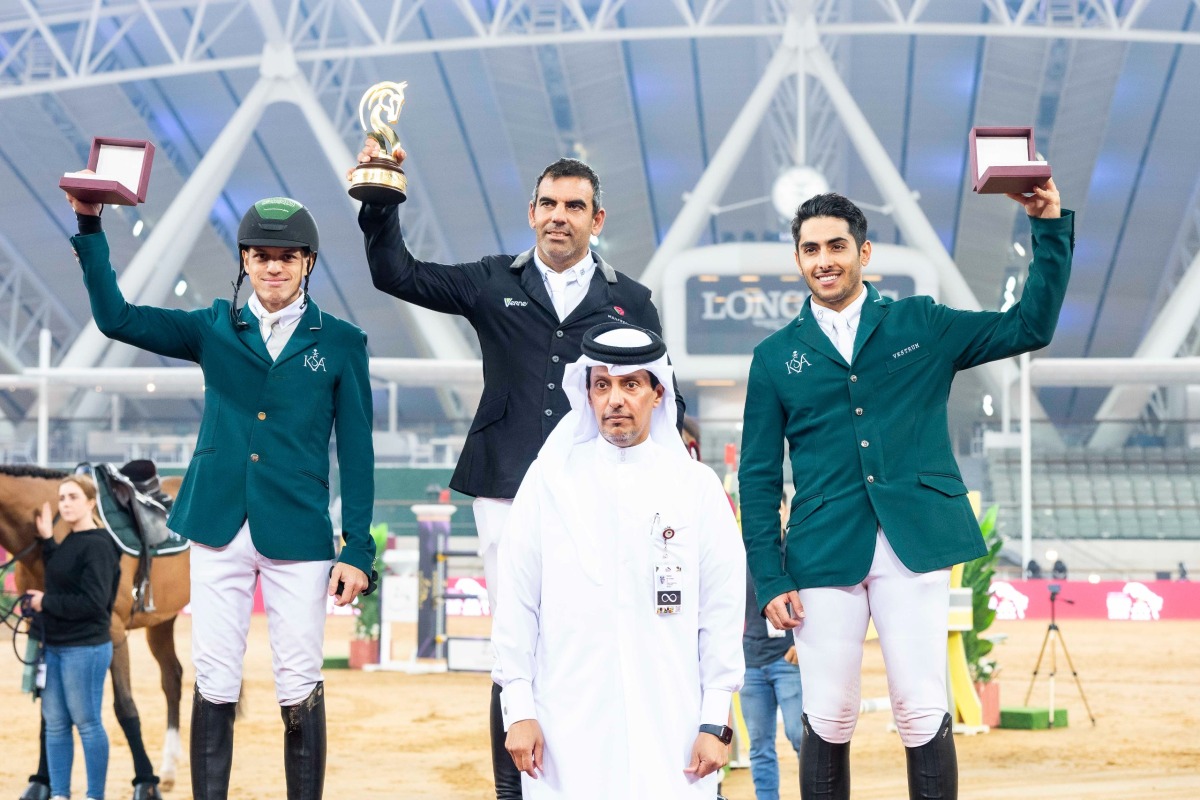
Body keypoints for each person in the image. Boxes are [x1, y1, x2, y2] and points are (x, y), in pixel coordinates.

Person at [354, 142, 681, 797]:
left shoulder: (634, 301)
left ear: (598, 219)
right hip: (504, 487)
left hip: (601, 492)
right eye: (550, 204)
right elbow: (396, 274)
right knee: (516, 644)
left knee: (597, 632)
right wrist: (381, 198)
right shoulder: (490, 280)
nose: (561, 216)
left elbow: (665, 390)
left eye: (575, 206)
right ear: (531, 213)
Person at [738, 181, 1072, 799]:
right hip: (820, 551)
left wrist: (1047, 226)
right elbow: (757, 478)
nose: (824, 260)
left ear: (865, 253)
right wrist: (770, 577)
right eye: (810, 249)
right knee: (827, 714)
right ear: (798, 260)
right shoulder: (774, 356)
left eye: (837, 245)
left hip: (912, 541)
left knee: (920, 707)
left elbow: (1030, 325)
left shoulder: (921, 321)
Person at [65, 188, 376, 800]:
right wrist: (89, 223)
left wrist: (357, 547)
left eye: (286, 255)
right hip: (217, 524)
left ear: (309, 261)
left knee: (298, 679)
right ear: (245, 262)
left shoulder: (341, 342)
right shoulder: (214, 326)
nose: (273, 266)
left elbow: (358, 452)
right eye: (260, 255)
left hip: (299, 530)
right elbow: (116, 318)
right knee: (214, 676)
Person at [491, 323, 745, 798]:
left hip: (673, 729)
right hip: (567, 731)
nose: (615, 400)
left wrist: (716, 720)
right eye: (602, 385)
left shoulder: (696, 487)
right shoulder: (549, 482)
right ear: (586, 394)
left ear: (657, 393)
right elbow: (517, 604)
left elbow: (721, 612)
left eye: (630, 384)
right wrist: (519, 708)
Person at [25, 475, 121, 800]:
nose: (65, 503)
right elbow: (64, 576)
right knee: (54, 724)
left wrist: (45, 602)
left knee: (87, 723)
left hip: (85, 647)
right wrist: (49, 542)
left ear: (91, 502)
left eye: (72, 497)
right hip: (56, 646)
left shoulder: (99, 545)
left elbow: (93, 603)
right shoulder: (71, 541)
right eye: (62, 497)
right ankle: (60, 794)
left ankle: (94, 795)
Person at [740, 566, 804, 800]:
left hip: (787, 659)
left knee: (800, 736)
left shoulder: (793, 552)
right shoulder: (739, 556)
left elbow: (815, 598)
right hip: (750, 662)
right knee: (759, 746)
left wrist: (802, 644)